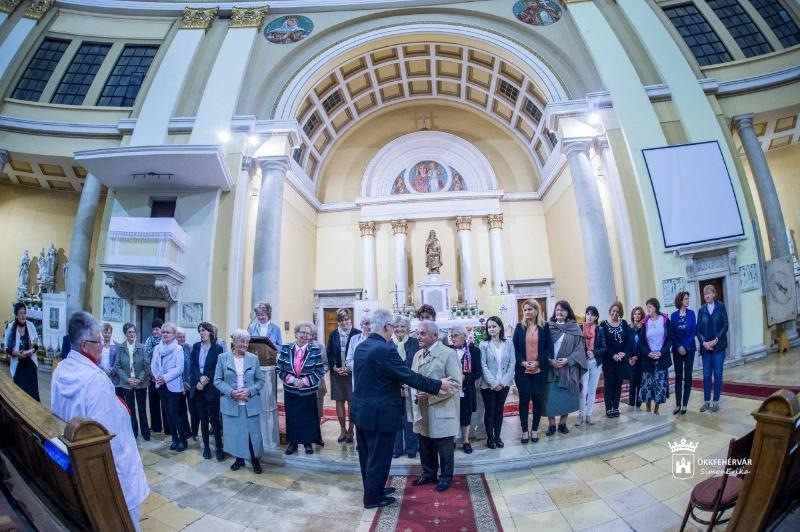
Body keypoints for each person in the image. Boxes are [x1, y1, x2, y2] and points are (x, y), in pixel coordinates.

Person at [51, 312, 148, 530]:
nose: (103, 346)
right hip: (107, 474)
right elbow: (108, 437)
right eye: (99, 341)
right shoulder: (95, 380)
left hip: (77, 461)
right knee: (124, 520)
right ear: (84, 345)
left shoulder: (61, 369)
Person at [351, 308, 452, 509]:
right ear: (386, 326)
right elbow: (409, 376)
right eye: (393, 326)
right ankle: (372, 499)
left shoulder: (362, 346)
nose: (394, 330)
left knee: (367, 456)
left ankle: (374, 489)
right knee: (379, 458)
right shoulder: (386, 349)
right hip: (380, 414)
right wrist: (438, 384)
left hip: (362, 411)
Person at [407, 321, 462, 492]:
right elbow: (414, 379)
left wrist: (430, 394)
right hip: (422, 408)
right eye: (418, 333)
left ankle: (445, 477)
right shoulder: (418, 355)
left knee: (444, 447)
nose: (418, 337)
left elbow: (455, 383)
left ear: (435, 336)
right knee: (425, 444)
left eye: (423, 334)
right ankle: (428, 473)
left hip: (441, 407)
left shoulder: (448, 354)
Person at [214, 329, 265, 473]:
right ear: (234, 342)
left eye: (247, 342)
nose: (245, 344)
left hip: (250, 403)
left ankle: (255, 460)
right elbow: (217, 380)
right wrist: (231, 392)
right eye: (242, 341)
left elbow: (260, 381)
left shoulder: (253, 358)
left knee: (252, 434)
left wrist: (250, 390)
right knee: (235, 433)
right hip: (231, 403)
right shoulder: (222, 358)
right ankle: (239, 460)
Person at [277, 322, 325, 455]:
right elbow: (279, 368)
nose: (305, 335)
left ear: (311, 336)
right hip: (290, 390)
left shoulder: (315, 350)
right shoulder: (286, 348)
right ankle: (292, 443)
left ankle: (307, 443)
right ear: (296, 333)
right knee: (292, 416)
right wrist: (292, 380)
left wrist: (305, 381)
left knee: (308, 417)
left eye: (308, 333)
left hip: (308, 390)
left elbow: (320, 370)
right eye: (302, 332)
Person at [512, 299, 553, 444]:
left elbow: (549, 348)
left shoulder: (544, 327)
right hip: (522, 371)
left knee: (537, 399)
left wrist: (538, 362)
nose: (527, 312)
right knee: (524, 400)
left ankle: (534, 429)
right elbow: (514, 349)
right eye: (525, 310)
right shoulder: (519, 327)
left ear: (536, 310)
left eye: (530, 309)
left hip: (539, 370)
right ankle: (524, 431)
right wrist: (523, 362)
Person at [546, 300, 587, 435]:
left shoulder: (575, 328)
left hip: (568, 369)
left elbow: (579, 349)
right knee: (550, 398)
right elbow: (542, 347)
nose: (560, 312)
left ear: (568, 312)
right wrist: (549, 360)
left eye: (563, 310)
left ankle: (563, 423)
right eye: (558, 309)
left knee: (566, 397)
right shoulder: (548, 327)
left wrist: (568, 360)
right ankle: (552, 425)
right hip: (551, 368)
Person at [189, 322, 224, 460]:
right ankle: (206, 447)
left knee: (215, 420)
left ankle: (219, 447)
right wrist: (199, 379)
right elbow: (193, 366)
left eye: (203, 330)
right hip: (198, 388)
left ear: (210, 332)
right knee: (203, 419)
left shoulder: (217, 348)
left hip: (211, 389)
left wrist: (206, 378)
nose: (201, 333)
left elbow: (218, 367)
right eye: (200, 331)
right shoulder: (196, 346)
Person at [150, 322, 188, 451]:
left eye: (168, 332)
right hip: (161, 385)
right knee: (167, 414)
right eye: (163, 332)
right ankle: (175, 439)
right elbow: (153, 365)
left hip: (173, 386)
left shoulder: (178, 349)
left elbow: (179, 368)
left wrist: (164, 378)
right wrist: (157, 377)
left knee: (174, 414)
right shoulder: (157, 348)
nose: (165, 334)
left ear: (174, 335)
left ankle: (183, 440)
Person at [479, 316, 515, 449]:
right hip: (488, 385)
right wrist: (494, 383)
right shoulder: (483, 345)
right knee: (490, 411)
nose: (491, 329)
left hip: (504, 384)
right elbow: (483, 365)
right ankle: (490, 438)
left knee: (499, 411)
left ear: (500, 327)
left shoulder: (509, 343)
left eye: (494, 326)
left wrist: (504, 382)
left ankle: (498, 437)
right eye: (489, 327)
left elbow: (512, 363)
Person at [388, 316, 420, 459]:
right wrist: (398, 386)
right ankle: (396, 448)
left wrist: (407, 384)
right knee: (396, 417)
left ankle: (412, 448)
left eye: (402, 326)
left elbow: (417, 364)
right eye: (396, 326)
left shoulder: (415, 343)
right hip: (393, 387)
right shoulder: (388, 344)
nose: (399, 329)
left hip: (411, 386)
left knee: (410, 417)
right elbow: (388, 368)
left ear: (408, 328)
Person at [326, 308, 360, 443]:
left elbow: (360, 353)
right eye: (341, 320)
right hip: (337, 373)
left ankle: (351, 430)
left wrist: (349, 368)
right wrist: (335, 367)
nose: (344, 322)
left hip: (352, 373)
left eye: (346, 319)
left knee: (352, 403)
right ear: (338, 321)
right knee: (339, 401)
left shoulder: (357, 334)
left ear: (350, 319)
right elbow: (329, 352)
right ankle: (342, 430)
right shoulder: (333, 334)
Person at [114, 323, 150, 440]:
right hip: (127, 384)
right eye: (129, 332)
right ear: (125, 334)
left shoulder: (142, 347)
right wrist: (127, 379)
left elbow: (146, 366)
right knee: (131, 410)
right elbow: (117, 366)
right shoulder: (121, 348)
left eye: (133, 332)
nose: (132, 334)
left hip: (141, 383)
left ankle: (145, 433)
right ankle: (133, 433)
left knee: (142, 409)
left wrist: (139, 379)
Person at [637, 298, 673, 415]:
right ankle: (648, 409)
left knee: (660, 385)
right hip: (648, 359)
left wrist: (662, 352)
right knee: (647, 385)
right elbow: (641, 343)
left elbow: (670, 339)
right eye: (647, 307)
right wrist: (648, 353)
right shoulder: (645, 322)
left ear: (656, 307)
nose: (648, 309)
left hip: (661, 358)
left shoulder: (665, 320)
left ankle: (656, 410)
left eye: (650, 307)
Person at [696, 285, 728, 413]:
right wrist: (704, 343)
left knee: (718, 374)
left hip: (718, 347)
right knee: (706, 375)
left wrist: (716, 340)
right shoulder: (701, 310)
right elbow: (698, 330)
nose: (707, 296)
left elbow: (725, 325)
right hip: (706, 349)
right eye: (705, 294)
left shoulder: (720, 307)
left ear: (714, 294)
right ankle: (706, 401)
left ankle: (716, 401)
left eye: (709, 293)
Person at [449, 325, 481, 452]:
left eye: (456, 335)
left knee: (465, 414)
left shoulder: (474, 351)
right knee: (452, 414)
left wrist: (465, 378)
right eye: (451, 336)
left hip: (466, 388)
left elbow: (478, 372)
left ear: (464, 336)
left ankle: (466, 441)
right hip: (450, 389)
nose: (453, 338)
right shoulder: (448, 350)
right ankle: (451, 441)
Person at [598, 302, 630, 418]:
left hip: (621, 360)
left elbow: (628, 341)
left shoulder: (624, 323)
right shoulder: (603, 324)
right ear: (610, 310)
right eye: (613, 310)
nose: (615, 313)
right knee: (609, 384)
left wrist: (624, 353)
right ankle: (608, 408)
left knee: (618, 383)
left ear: (620, 313)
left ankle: (616, 407)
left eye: (617, 311)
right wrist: (613, 355)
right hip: (608, 360)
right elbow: (603, 343)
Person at [4, 302, 40, 401]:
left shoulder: (30, 325)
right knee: (20, 395)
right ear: (16, 315)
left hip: (30, 363)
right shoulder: (11, 327)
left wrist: (32, 350)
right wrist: (16, 353)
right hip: (18, 365)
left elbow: (37, 343)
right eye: (20, 313)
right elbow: (6, 347)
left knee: (32, 394)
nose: (23, 316)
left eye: (24, 313)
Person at [577, 306, 606, 426]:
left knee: (592, 390)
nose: (589, 316)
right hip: (583, 363)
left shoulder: (600, 330)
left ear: (596, 317)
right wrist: (585, 353)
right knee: (583, 390)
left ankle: (589, 415)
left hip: (595, 363)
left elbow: (604, 348)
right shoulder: (579, 328)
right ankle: (580, 415)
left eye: (592, 314)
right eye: (587, 314)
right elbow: (576, 347)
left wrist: (594, 353)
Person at [671, 291, 697, 415]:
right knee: (678, 376)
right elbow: (672, 333)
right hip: (677, 350)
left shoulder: (691, 314)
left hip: (689, 349)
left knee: (688, 376)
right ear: (680, 301)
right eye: (685, 299)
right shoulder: (673, 316)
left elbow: (693, 331)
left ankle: (685, 404)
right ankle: (678, 404)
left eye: (688, 298)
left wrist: (685, 346)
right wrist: (678, 346)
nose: (687, 300)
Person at [144, 319, 166, 434]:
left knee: (164, 403)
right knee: (153, 403)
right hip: (152, 376)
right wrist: (150, 373)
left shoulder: (165, 341)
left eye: (157, 329)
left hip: (163, 377)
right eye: (154, 329)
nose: (155, 331)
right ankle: (156, 426)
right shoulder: (149, 341)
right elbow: (146, 358)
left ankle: (168, 428)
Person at [176, 328, 197, 441]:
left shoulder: (190, 347)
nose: (182, 339)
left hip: (190, 384)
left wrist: (188, 382)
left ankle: (194, 432)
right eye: (179, 337)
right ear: (175, 337)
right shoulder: (174, 349)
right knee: (181, 409)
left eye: (183, 336)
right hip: (178, 384)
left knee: (193, 409)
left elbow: (193, 366)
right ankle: (186, 432)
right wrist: (182, 382)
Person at [627, 306, 645, 409]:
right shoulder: (629, 328)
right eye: (635, 314)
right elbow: (627, 344)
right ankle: (631, 404)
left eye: (638, 314)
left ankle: (638, 404)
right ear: (632, 315)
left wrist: (637, 356)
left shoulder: (644, 328)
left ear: (641, 315)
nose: (636, 316)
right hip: (630, 359)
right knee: (632, 381)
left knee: (639, 381)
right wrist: (630, 357)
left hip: (640, 359)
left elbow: (644, 344)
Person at [99, 323, 122, 396]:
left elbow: (118, 361)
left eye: (109, 333)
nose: (107, 334)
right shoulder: (98, 345)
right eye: (105, 332)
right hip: (101, 375)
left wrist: (111, 371)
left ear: (111, 333)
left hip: (114, 376)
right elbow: (96, 360)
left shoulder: (117, 345)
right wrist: (102, 370)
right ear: (102, 333)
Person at [311, 328, 328, 427]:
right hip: (301, 384)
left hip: (317, 382)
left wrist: (318, 374)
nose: (308, 336)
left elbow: (326, 364)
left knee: (318, 410)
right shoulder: (297, 346)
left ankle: (317, 430)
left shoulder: (321, 346)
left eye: (311, 333)